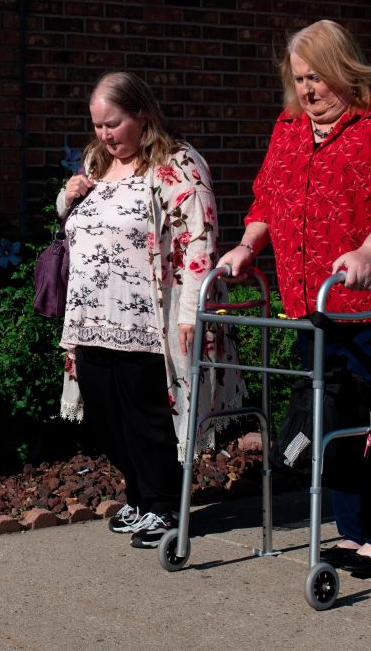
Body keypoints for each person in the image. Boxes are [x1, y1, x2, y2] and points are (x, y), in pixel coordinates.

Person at [218, 19, 371, 578]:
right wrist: (245, 246)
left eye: (317, 78)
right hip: (310, 300)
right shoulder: (289, 126)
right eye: (299, 79)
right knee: (328, 411)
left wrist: (369, 253)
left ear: (343, 69)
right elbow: (267, 195)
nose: (307, 91)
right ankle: (353, 532)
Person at [58, 72, 244, 549]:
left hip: (148, 319)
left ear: (141, 114)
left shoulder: (176, 164)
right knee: (104, 415)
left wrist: (190, 313)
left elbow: (198, 238)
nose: (104, 135)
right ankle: (139, 497)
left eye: (113, 124)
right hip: (92, 316)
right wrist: (68, 196)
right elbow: (78, 224)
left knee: (147, 415)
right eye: (97, 125)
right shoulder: (97, 164)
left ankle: (162, 505)